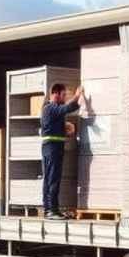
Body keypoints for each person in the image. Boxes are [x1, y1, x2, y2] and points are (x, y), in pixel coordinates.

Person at [41, 83, 83, 220]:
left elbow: (67, 110)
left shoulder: (54, 110)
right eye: (63, 95)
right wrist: (77, 96)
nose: (65, 98)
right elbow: (67, 108)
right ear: (55, 94)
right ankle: (50, 210)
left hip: (55, 147)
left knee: (54, 178)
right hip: (51, 148)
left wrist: (65, 130)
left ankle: (53, 209)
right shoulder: (50, 107)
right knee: (52, 178)